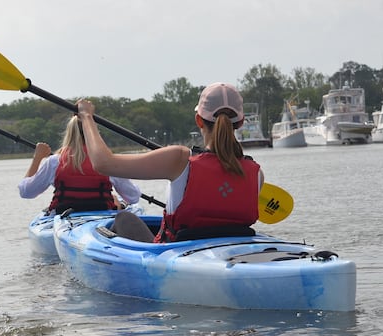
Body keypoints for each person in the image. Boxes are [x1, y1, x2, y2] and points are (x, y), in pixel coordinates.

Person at [76, 83, 264, 243]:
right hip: (234, 254)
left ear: (199, 120)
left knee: (124, 218)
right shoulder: (256, 174)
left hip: (179, 254)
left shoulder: (180, 159)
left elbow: (103, 163)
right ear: (240, 123)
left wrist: (86, 117)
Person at [18, 114, 141, 214]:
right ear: (95, 134)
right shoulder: (107, 161)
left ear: (69, 133)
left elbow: (26, 192)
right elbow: (133, 197)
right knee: (117, 201)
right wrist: (118, 201)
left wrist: (37, 158)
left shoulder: (54, 162)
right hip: (102, 216)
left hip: (65, 215)